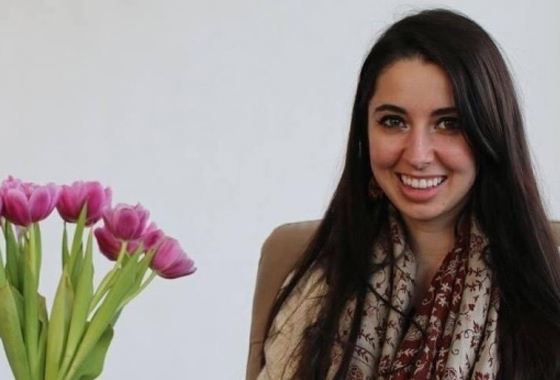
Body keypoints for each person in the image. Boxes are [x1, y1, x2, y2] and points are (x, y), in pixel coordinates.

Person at [255, 8, 560, 380]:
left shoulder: (548, 290)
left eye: (450, 123)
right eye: (393, 121)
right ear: (364, 133)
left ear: (491, 133)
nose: (417, 155)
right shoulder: (310, 285)